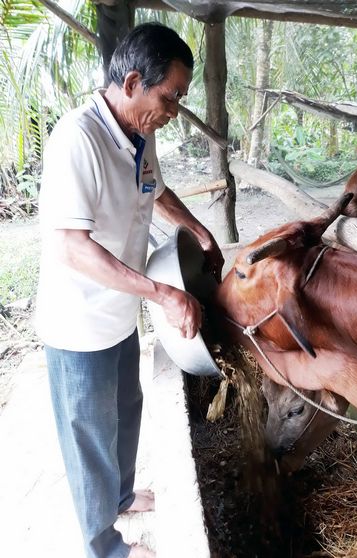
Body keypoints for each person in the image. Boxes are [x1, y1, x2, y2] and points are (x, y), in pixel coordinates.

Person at [35, 23, 224, 558]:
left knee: (125, 410)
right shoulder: (78, 138)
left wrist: (201, 232)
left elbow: (157, 193)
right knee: (90, 439)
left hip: (119, 312)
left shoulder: (141, 132)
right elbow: (71, 246)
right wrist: (163, 294)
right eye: (172, 97)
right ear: (136, 81)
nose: (175, 110)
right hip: (78, 324)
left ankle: (120, 495)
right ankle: (105, 546)